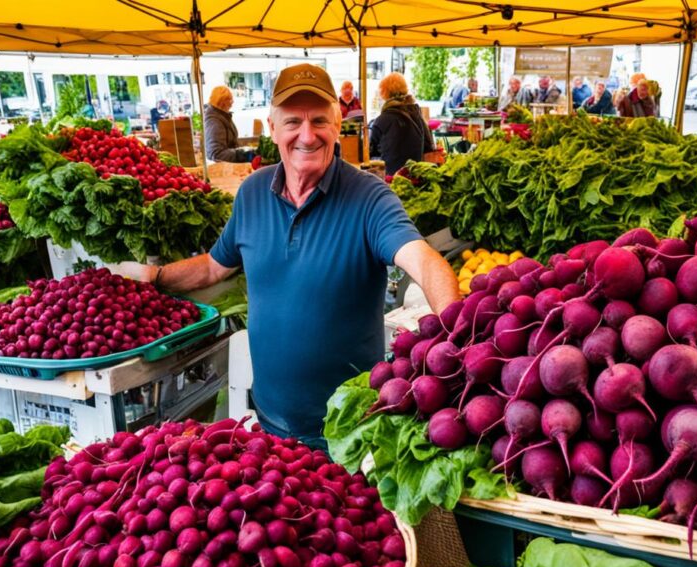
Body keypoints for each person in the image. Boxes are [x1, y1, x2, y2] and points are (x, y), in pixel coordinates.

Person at [115, 63, 459, 447]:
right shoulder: (252, 193)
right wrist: (154, 278)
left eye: (319, 121)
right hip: (270, 427)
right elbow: (214, 266)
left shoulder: (370, 198)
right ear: (273, 128)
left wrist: (455, 338)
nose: (307, 136)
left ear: (337, 124)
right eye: (293, 121)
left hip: (348, 432)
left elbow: (424, 261)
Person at [369, 73, 436, 176]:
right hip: (414, 178)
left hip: (390, 179)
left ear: (385, 93)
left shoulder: (382, 121)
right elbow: (429, 147)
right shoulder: (417, 116)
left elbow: (369, 151)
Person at [204, 86, 249, 163]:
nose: (233, 102)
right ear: (222, 101)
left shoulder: (222, 115)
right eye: (230, 99)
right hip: (223, 169)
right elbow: (216, 154)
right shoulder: (214, 121)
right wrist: (240, 154)